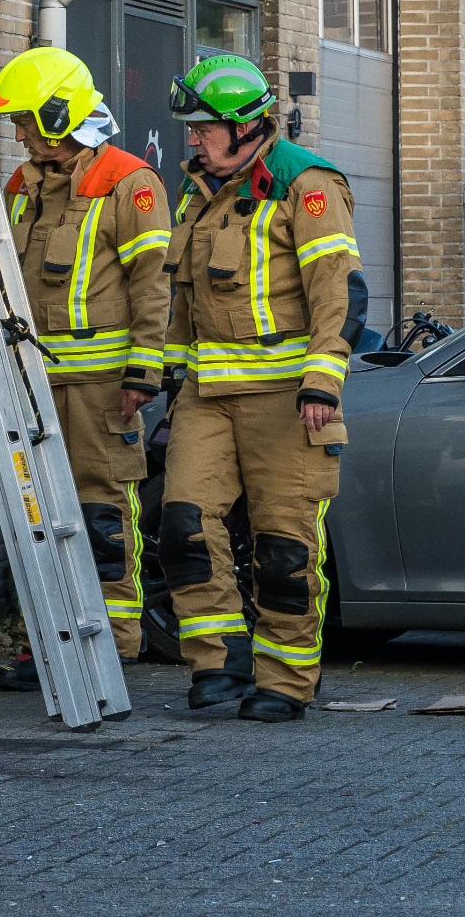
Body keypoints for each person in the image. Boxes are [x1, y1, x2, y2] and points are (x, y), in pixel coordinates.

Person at [158, 54, 367, 723]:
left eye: (202, 128)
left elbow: (339, 293)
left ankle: (287, 678)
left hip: (287, 400)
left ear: (245, 127)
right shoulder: (198, 191)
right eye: (191, 129)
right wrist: (160, 373)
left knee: (284, 546)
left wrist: (322, 382)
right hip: (207, 394)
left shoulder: (304, 185)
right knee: (183, 526)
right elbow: (180, 302)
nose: (193, 139)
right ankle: (217, 664)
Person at [0, 47, 172, 691]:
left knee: (101, 512)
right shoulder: (20, 184)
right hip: (31, 383)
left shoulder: (129, 182)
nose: (20, 136)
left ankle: (116, 641)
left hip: (100, 391)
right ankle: (50, 644)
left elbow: (153, 286)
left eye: (27, 123)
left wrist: (143, 374)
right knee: (38, 515)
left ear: (61, 114)